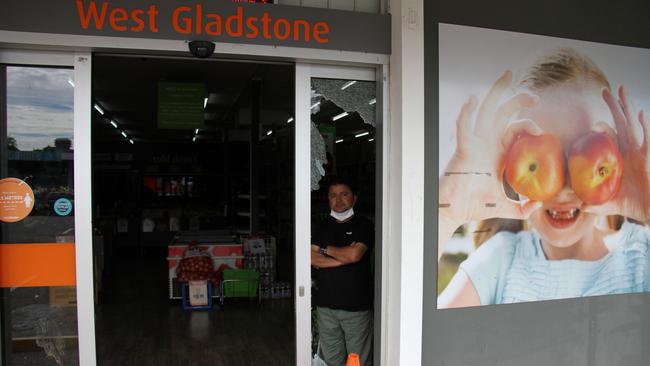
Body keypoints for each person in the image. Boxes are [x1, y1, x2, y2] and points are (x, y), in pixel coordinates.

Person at [438, 48, 650, 308]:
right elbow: (410, 331)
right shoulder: (500, 261)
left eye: (582, 155)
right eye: (545, 160)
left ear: (615, 157)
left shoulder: (641, 257)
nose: (562, 188)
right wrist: (445, 213)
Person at [311, 177, 374, 366]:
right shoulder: (321, 226)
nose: (338, 200)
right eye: (333, 196)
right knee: (331, 360)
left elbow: (355, 255)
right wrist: (343, 259)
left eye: (344, 194)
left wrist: (324, 249)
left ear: (354, 198)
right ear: (328, 199)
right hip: (325, 306)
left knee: (357, 361)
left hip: (356, 308)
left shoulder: (364, 225)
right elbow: (311, 258)